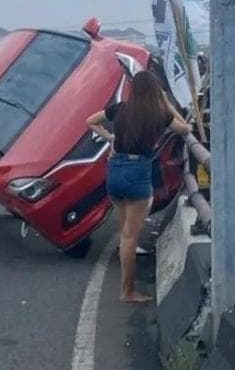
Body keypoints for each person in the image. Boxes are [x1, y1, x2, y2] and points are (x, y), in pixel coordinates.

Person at [86, 71, 190, 303]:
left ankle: (127, 282)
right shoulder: (158, 114)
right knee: (130, 236)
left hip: (115, 170)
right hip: (138, 173)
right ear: (154, 91)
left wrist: (109, 137)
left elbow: (90, 121)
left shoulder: (120, 109)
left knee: (125, 231)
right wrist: (166, 103)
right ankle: (127, 291)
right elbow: (185, 129)